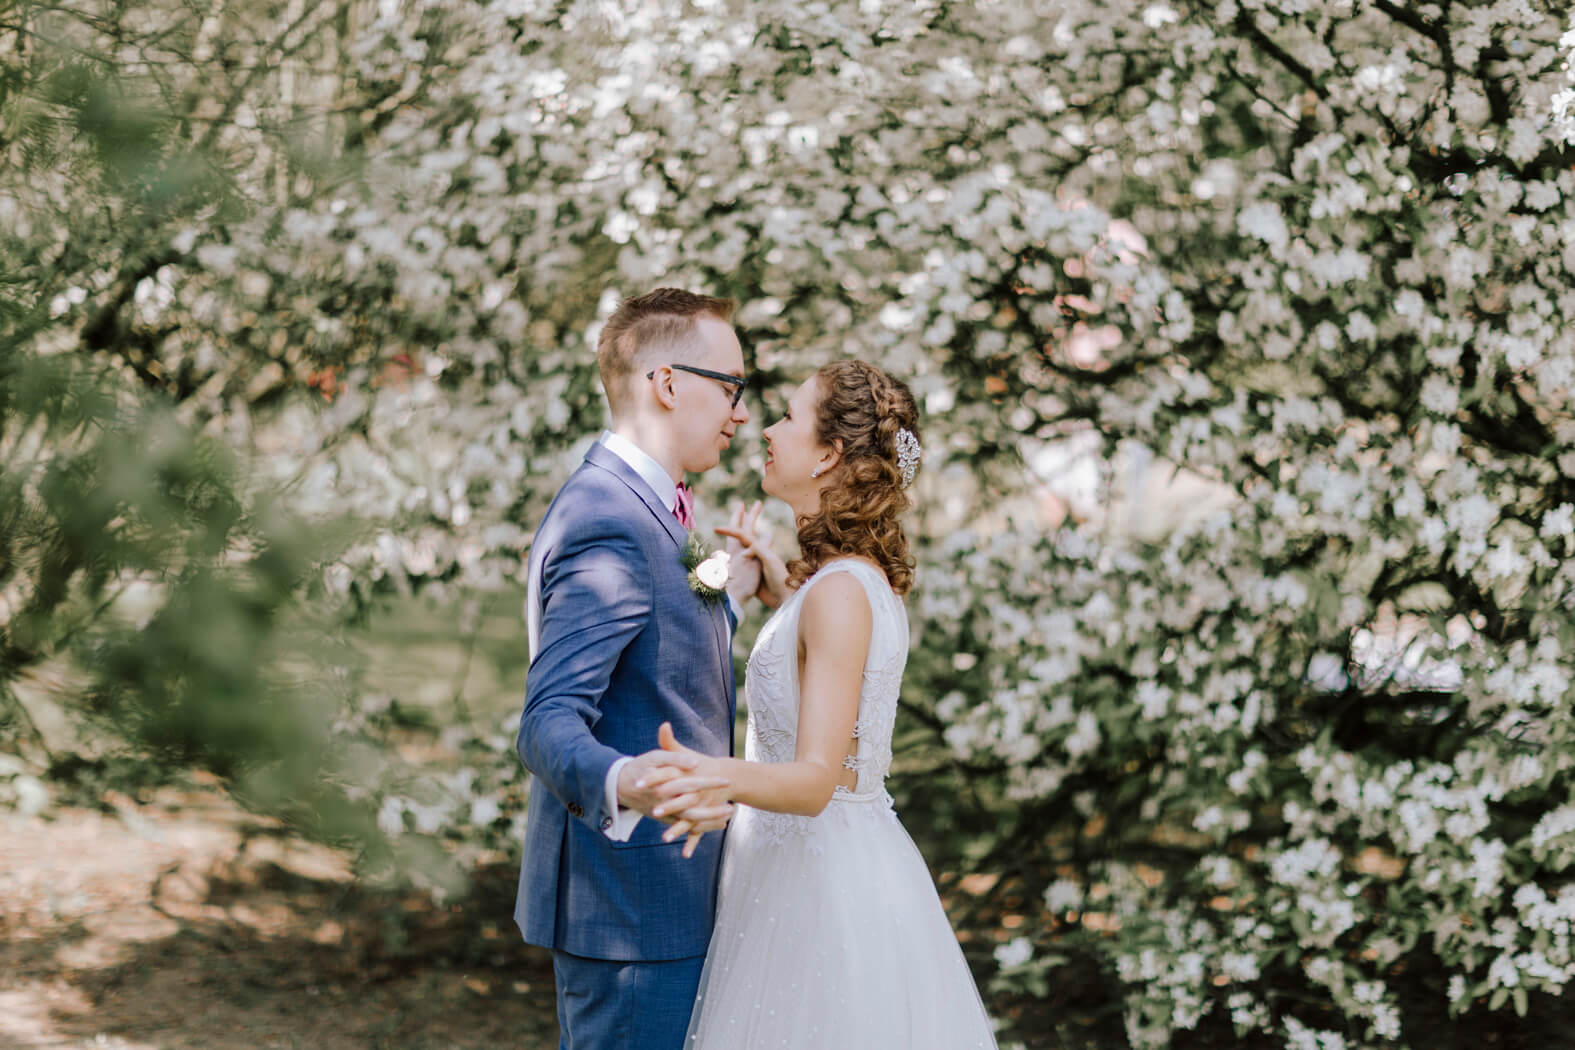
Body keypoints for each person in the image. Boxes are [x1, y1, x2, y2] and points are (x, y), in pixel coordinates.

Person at [641, 360, 1000, 1049]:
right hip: (818, 867)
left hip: (816, 894)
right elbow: (816, 654)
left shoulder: (837, 593)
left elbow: (812, 782)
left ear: (830, 454)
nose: (765, 428)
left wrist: (704, 773)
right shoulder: (845, 583)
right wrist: (774, 583)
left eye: (786, 417)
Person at [514, 287, 769, 1050]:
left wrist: (733, 583)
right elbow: (548, 721)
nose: (741, 414)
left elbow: (659, 624)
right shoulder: (610, 520)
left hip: (657, 899)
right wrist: (628, 782)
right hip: (631, 905)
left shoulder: (649, 506)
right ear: (666, 383)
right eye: (731, 387)